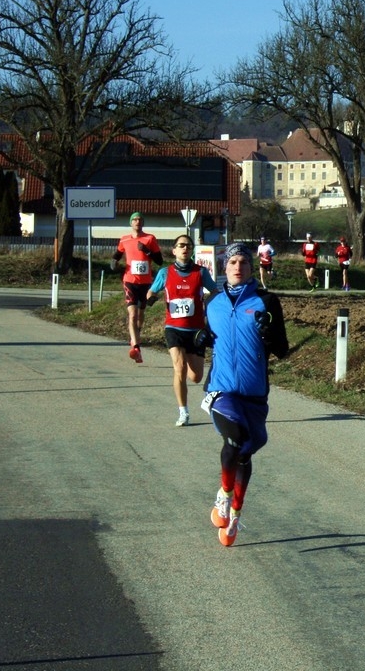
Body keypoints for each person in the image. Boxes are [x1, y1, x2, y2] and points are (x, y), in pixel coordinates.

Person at [200, 242, 289, 547]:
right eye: (233, 262)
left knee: (245, 454)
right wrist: (200, 340)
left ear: (252, 268)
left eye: (244, 262)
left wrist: (268, 333)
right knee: (234, 439)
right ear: (224, 268)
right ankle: (223, 496)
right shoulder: (213, 303)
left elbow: (282, 349)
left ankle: (235, 516)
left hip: (254, 392)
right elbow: (206, 337)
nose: (238, 267)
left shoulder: (266, 301)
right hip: (221, 388)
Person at [146, 235, 216, 426]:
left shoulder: (200, 272)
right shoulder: (165, 273)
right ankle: (183, 412)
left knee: (195, 377)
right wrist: (151, 297)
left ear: (191, 250)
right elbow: (152, 291)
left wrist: (208, 306)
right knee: (179, 368)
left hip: (195, 331)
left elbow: (215, 292)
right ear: (174, 250)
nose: (185, 248)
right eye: (181, 245)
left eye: (188, 246)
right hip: (174, 328)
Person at [110, 212, 163, 362]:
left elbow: (159, 261)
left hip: (145, 283)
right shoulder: (124, 239)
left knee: (140, 314)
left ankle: (136, 335)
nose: (137, 221)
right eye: (135, 219)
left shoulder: (150, 238)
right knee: (132, 314)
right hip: (129, 281)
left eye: (140, 219)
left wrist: (146, 250)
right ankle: (136, 347)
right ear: (131, 223)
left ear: (143, 223)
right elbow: (117, 255)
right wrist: (113, 263)